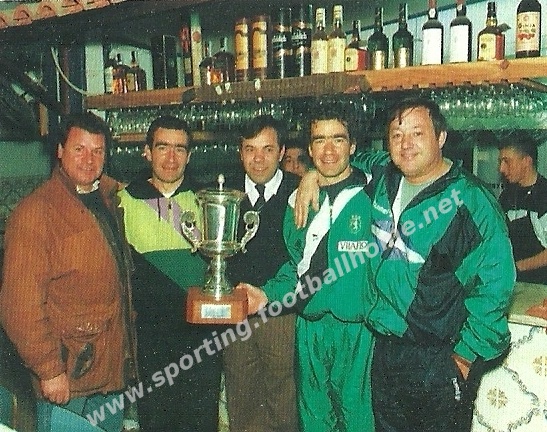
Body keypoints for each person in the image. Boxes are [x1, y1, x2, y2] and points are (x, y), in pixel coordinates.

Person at [295, 97, 516, 432]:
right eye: (396, 135)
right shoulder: (385, 176)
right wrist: (312, 174)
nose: (406, 144)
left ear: (441, 137)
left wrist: (465, 357)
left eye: (417, 133)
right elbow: (341, 159)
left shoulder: (471, 201)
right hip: (384, 350)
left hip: (438, 358)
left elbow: (497, 286)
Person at [0, 112, 137, 432]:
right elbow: (19, 306)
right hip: (67, 376)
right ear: (60, 151)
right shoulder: (36, 213)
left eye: (98, 151)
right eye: (79, 149)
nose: (89, 160)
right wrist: (49, 370)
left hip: (109, 373)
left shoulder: (107, 200)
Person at [240, 107, 375, 432]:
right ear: (310, 149)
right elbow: (295, 267)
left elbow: (404, 158)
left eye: (338, 139)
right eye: (319, 141)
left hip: (358, 331)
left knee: (359, 421)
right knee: (314, 420)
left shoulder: (376, 192)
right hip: (309, 328)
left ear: (353, 145)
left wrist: (311, 175)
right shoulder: (296, 203)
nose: (328, 150)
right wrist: (265, 295)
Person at [118, 115, 222, 432]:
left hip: (201, 337)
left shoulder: (208, 202)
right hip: (150, 337)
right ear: (147, 151)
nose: (171, 157)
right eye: (163, 147)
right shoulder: (122, 202)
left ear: (189, 156)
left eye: (180, 148)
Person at [223, 115, 299, 432]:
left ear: (281, 152)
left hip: (281, 314)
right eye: (250, 149)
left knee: (284, 399)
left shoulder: (301, 191)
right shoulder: (224, 194)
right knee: (241, 396)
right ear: (239, 152)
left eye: (267, 149)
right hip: (236, 312)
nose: (258, 159)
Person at [498, 133, 547, 285]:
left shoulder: (544, 196)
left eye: (507, 161)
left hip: (540, 288)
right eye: (500, 162)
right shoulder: (506, 196)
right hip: (512, 284)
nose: (501, 168)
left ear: (526, 161)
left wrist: (516, 267)